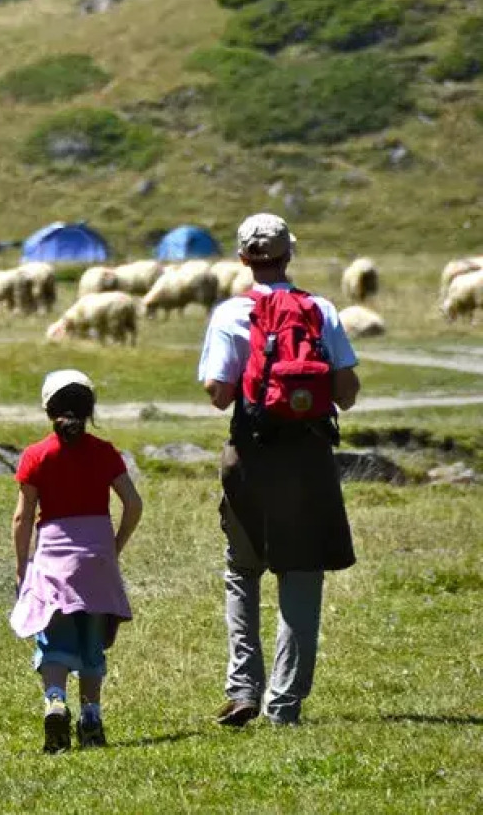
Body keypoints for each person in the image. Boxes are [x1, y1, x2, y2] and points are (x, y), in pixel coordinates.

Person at [197, 213, 360, 728]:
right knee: (301, 575)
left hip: (250, 455)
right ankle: (283, 704)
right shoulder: (321, 310)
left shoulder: (229, 314)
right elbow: (348, 392)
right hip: (309, 460)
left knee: (242, 573)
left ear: (244, 259)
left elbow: (219, 395)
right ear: (290, 253)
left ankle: (244, 687)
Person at [10, 370, 144, 753]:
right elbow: (133, 503)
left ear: (48, 409)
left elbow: (23, 517)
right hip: (97, 561)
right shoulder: (105, 452)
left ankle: (55, 699)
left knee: (53, 636)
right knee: (91, 642)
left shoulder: (36, 455)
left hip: (53, 560)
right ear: (90, 410)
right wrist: (114, 546)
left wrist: (23, 564)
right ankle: (91, 718)